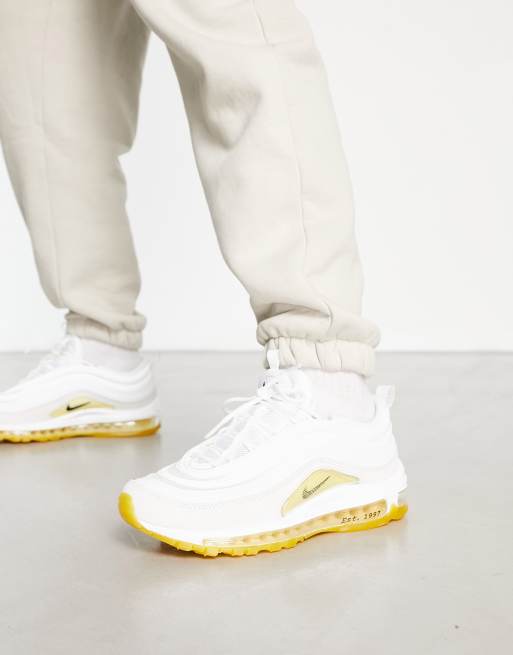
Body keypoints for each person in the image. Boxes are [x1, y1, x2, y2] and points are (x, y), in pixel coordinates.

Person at [0, 1, 407, 556]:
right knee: (43, 59)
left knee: (228, 21)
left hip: (328, 384)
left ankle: (329, 389)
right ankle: (100, 346)